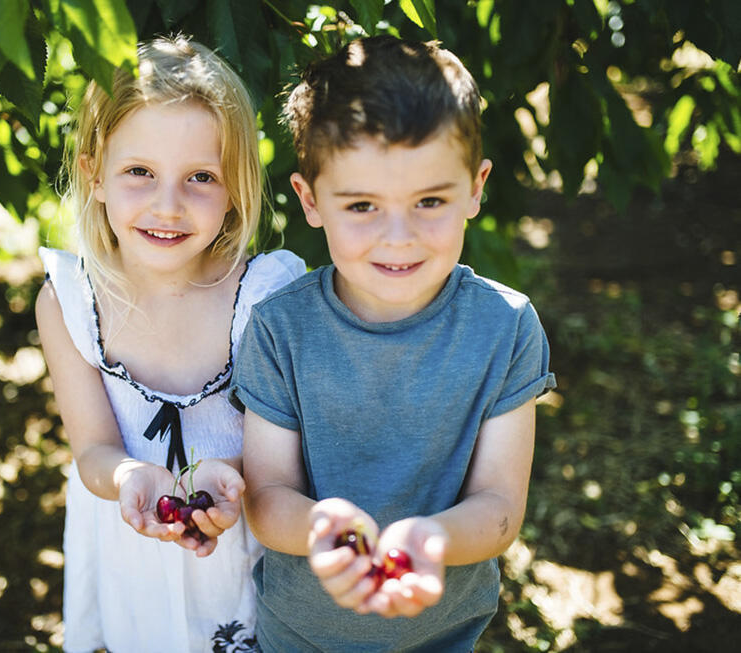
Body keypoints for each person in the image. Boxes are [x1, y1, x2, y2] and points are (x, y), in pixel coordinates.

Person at [231, 36, 556, 652]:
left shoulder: (505, 328)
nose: (399, 237)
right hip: (299, 637)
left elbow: (498, 504)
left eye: (429, 200)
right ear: (310, 200)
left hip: (442, 636)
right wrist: (326, 529)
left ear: (476, 187)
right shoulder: (280, 330)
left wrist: (430, 540)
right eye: (362, 205)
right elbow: (267, 498)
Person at [36, 35, 305, 653]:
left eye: (201, 178)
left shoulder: (264, 299)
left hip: (245, 545)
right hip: (134, 551)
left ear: (236, 188)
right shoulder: (70, 302)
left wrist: (229, 475)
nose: (168, 206)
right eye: (140, 172)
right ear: (94, 175)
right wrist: (130, 475)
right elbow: (94, 450)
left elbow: (290, 457)